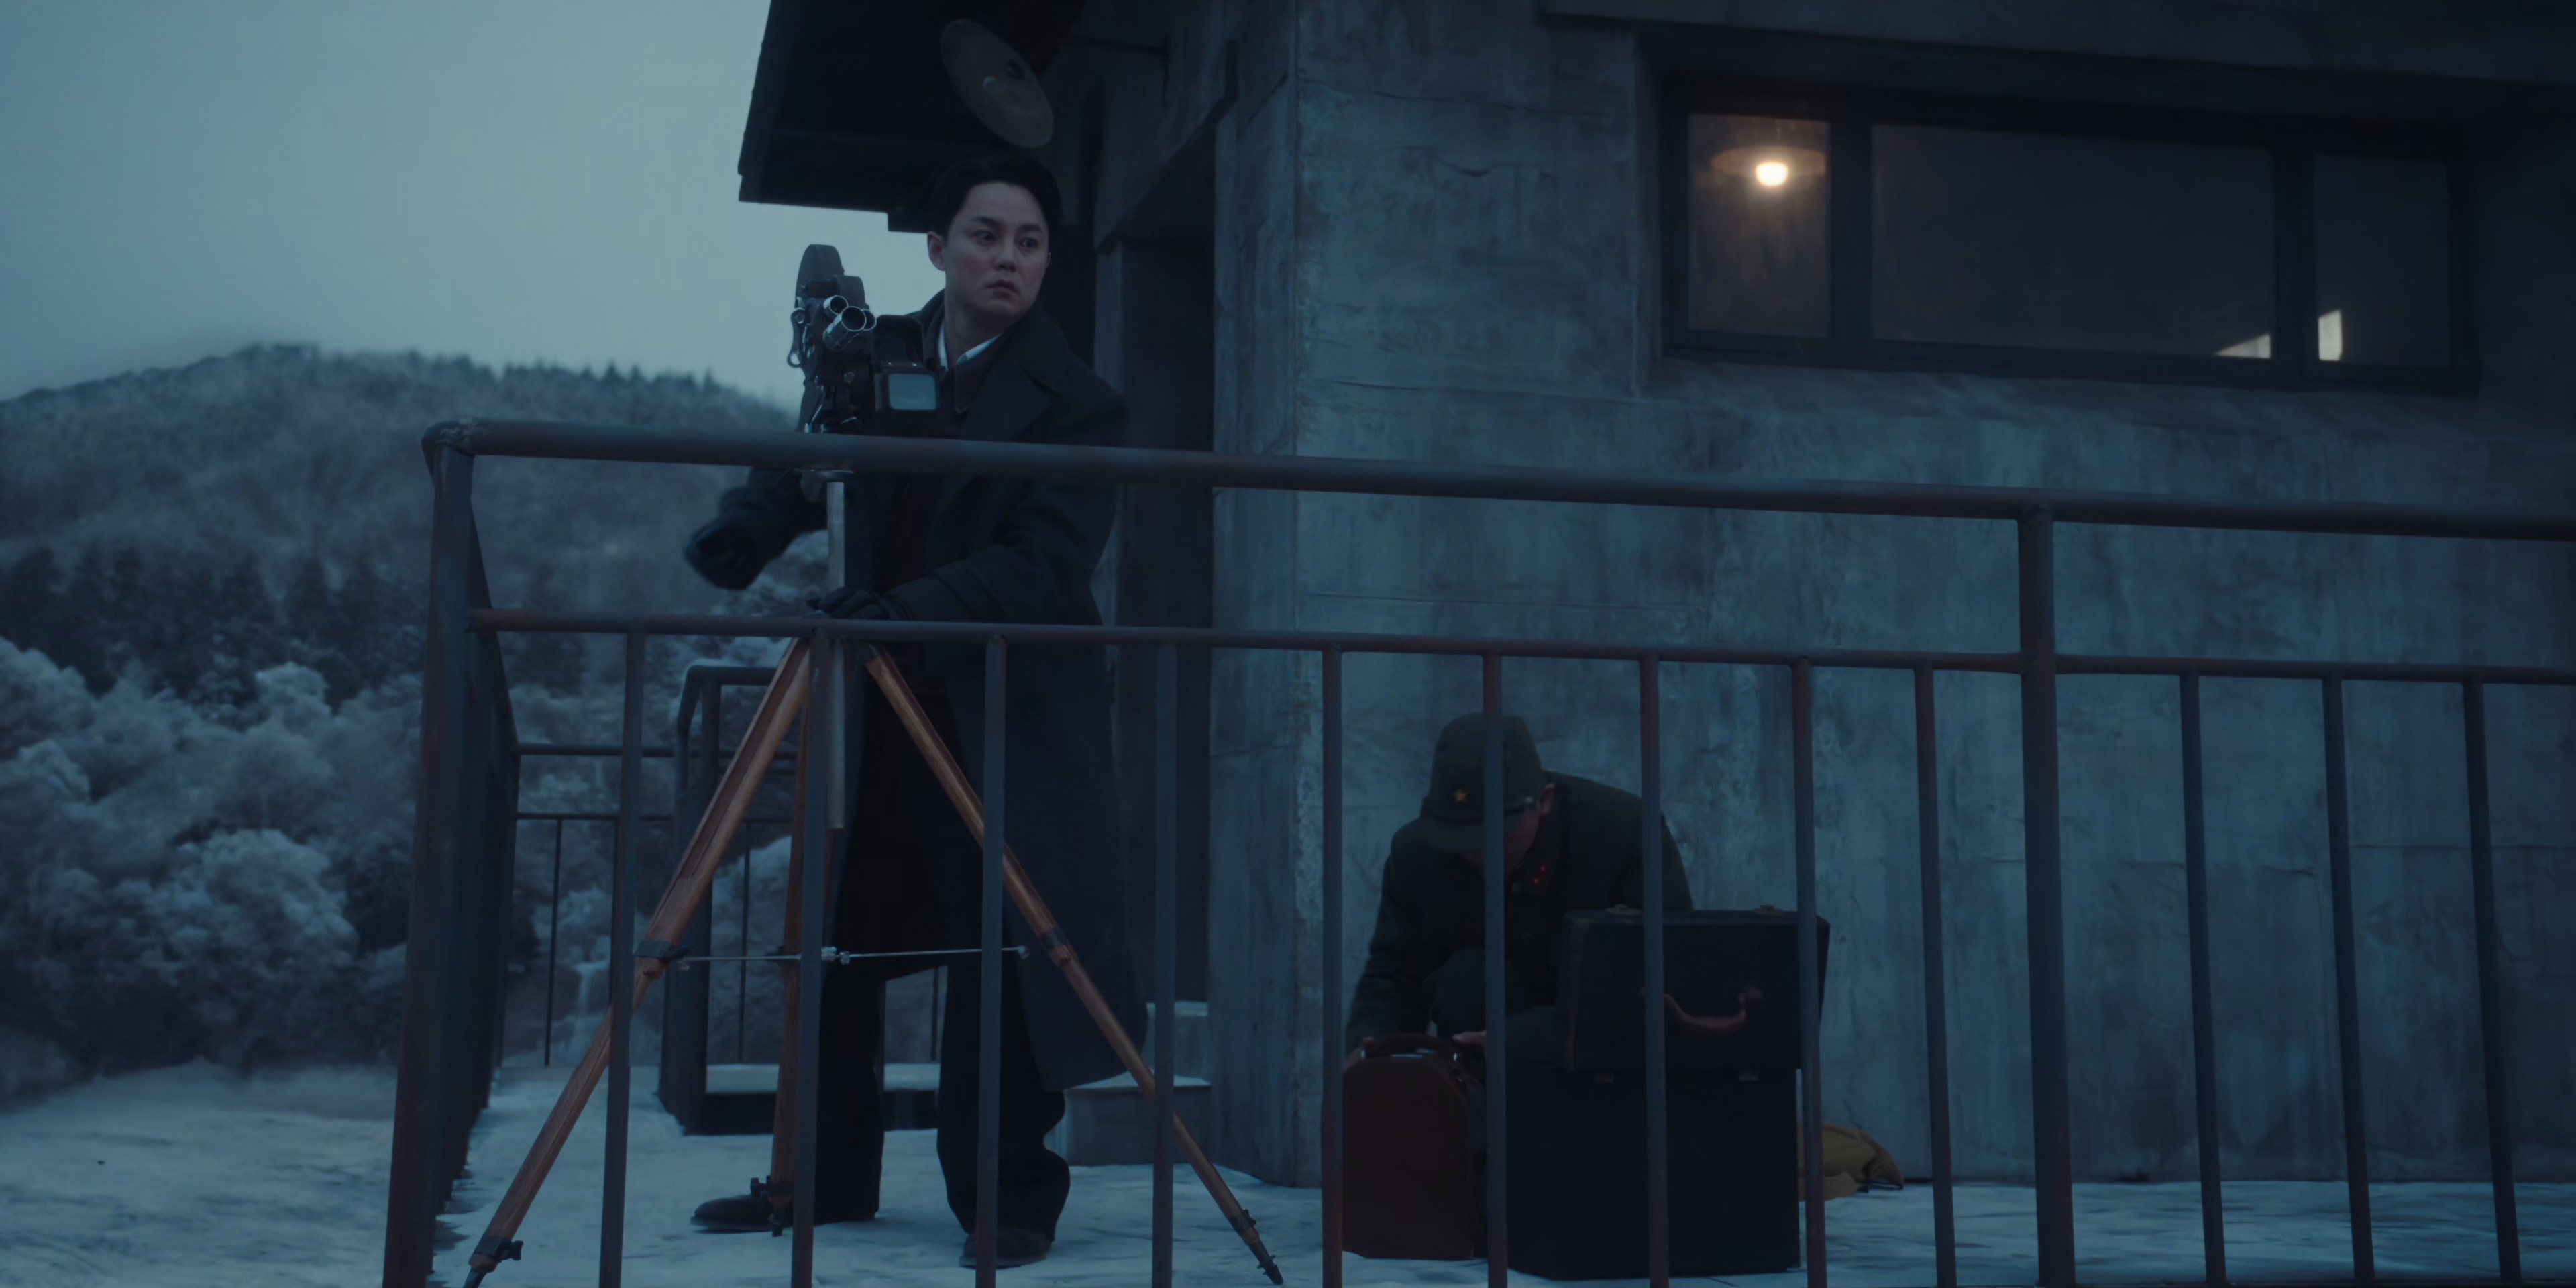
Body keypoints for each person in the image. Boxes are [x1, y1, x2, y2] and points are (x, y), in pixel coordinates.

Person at [679, 154, 1140, 1271]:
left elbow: (1043, 563)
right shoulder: (876, 358)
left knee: (1002, 947)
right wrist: (745, 530)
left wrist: (902, 610)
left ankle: (1008, 1199)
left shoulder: (1082, 402)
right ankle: (823, 1177)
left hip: (1003, 711)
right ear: (938, 248)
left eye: (1029, 242)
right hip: (876, 700)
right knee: (834, 938)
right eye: (985, 235)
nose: (1007, 260)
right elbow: (811, 459)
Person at [1345, 713, 1694, 1063]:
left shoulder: (1625, 833)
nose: (1480, 853)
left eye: (1498, 834)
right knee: (1467, 981)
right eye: (1460, 838)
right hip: (1480, 1063)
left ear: (1545, 801)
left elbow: (1667, 978)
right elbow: (1396, 973)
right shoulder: (1418, 854)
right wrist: (1368, 1053)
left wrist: (1525, 1040)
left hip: (1600, 1060)